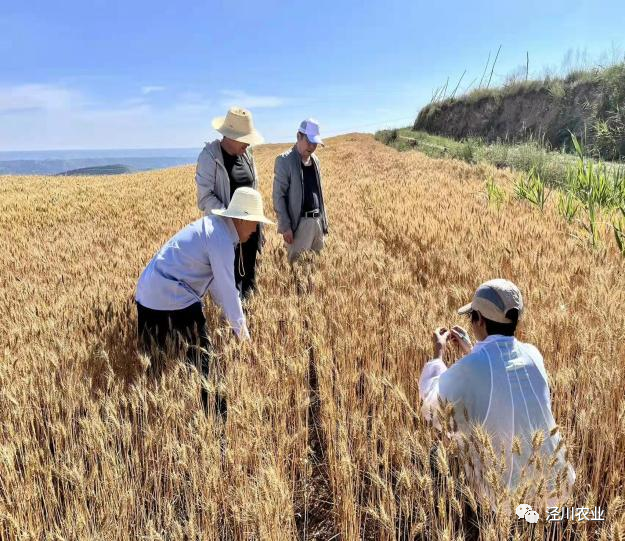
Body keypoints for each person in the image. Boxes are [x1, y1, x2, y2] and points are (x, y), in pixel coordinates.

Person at [419, 279, 575, 514]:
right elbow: (503, 382)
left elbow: (433, 407)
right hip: (556, 485)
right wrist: (473, 350)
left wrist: (438, 356)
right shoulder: (533, 354)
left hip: (503, 500)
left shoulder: (473, 367)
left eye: (472, 315)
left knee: (438, 454)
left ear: (479, 320)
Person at [135, 187, 274, 415]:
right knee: (203, 362)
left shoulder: (212, 228)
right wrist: (244, 337)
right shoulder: (220, 239)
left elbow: (217, 287)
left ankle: (151, 415)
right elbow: (228, 292)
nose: (256, 229)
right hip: (173, 296)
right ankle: (216, 417)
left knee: (156, 366)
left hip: (148, 295)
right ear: (240, 219)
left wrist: (232, 322)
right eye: (254, 222)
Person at [195, 107, 264, 299]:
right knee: (230, 286)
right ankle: (233, 325)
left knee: (249, 282)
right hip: (226, 233)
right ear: (231, 136)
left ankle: (248, 324)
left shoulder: (247, 155)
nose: (249, 143)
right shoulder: (210, 157)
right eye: (245, 138)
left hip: (249, 232)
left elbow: (253, 190)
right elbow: (204, 198)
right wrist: (230, 217)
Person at [272, 118, 329, 263]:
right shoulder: (285, 160)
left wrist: (323, 223)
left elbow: (319, 192)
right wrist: (285, 227)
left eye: (314, 143)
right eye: (308, 142)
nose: (311, 146)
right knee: (298, 275)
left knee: (316, 272)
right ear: (298, 136)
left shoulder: (315, 160)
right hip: (299, 226)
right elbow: (279, 195)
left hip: (317, 222)